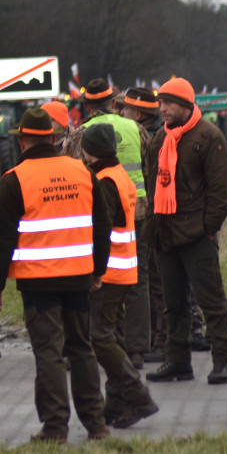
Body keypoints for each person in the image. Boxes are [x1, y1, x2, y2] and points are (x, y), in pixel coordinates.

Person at [0, 107, 113, 444]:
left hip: (38, 282)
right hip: (78, 278)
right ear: (54, 139)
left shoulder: (15, 180)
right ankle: (96, 424)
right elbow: (102, 224)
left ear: (23, 141)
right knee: (82, 348)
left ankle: (55, 427)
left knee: (49, 352)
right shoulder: (82, 172)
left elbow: (0, 239)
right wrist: (98, 268)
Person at [144, 77, 227, 385]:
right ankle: (178, 362)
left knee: (211, 302)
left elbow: (221, 191)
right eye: (161, 103)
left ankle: (223, 361)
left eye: (168, 103)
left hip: (198, 236)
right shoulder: (159, 139)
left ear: (185, 104)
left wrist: (208, 229)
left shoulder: (209, 136)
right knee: (173, 305)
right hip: (166, 235)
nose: (162, 108)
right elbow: (151, 184)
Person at [64, 79, 150, 367]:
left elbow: (70, 175)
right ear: (114, 102)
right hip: (136, 208)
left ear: (86, 105)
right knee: (137, 282)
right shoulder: (136, 128)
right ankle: (137, 348)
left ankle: (102, 344)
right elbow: (150, 167)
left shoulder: (79, 135)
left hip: (99, 216)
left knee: (101, 286)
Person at [80, 124, 159, 428]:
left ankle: (138, 395)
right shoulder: (120, 176)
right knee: (111, 335)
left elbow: (101, 227)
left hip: (108, 271)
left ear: (91, 151)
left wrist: (95, 269)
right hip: (123, 267)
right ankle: (114, 405)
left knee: (99, 337)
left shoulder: (102, 181)